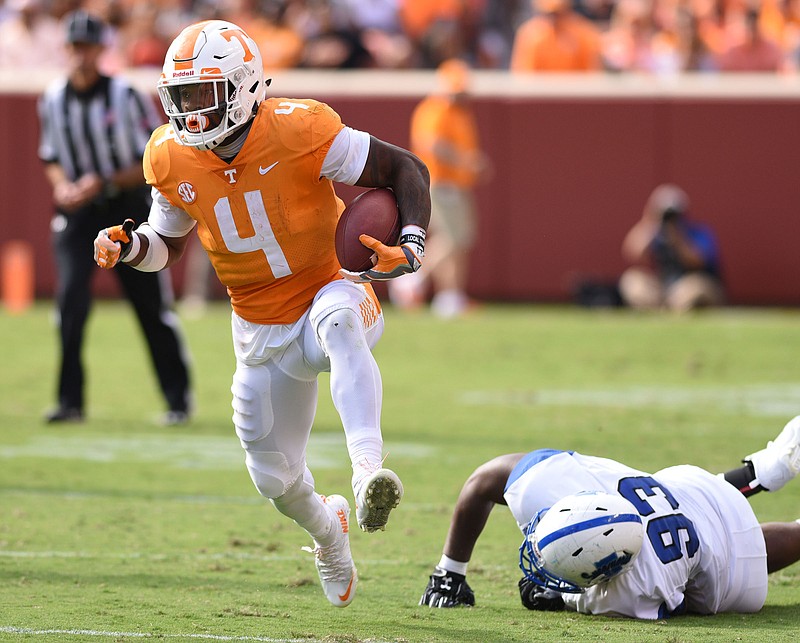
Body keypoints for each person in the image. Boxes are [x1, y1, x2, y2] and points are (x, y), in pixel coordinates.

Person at [92, 19, 430, 607]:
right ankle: (330, 531)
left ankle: (368, 468)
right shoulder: (169, 155)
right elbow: (166, 243)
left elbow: (407, 169)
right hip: (258, 326)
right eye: (183, 99)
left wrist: (412, 243)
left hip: (331, 286)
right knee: (273, 479)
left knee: (340, 324)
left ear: (245, 88)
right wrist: (129, 248)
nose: (192, 115)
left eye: (204, 97)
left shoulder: (301, 128)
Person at [419, 415, 800, 618]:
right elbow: (484, 481)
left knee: (733, 553)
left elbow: (677, 603)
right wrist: (449, 573)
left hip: (706, 557)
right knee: (707, 520)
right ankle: (763, 471)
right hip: (690, 491)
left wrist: (559, 596)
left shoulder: (633, 589)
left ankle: (768, 478)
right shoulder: (550, 483)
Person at [38, 10, 192, 426]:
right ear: (65, 50)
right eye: (74, 47)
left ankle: (177, 398)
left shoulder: (124, 94)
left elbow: (155, 155)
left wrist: (103, 180)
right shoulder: (53, 97)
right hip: (77, 212)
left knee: (150, 305)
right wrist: (62, 187)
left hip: (125, 209)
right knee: (70, 301)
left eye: (87, 47)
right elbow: (51, 155)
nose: (80, 56)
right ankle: (70, 401)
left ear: (101, 50)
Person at [390, 58, 488, 318]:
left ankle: (450, 297)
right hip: (441, 182)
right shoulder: (435, 108)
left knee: (457, 240)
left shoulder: (459, 111)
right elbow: (431, 143)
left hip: (456, 183)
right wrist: (466, 160)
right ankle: (410, 278)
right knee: (454, 238)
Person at [619, 183, 725, 312]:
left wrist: (678, 239)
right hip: (664, 287)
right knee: (632, 280)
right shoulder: (655, 232)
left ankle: (673, 309)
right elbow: (634, 252)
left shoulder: (699, 232)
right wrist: (651, 221)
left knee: (693, 289)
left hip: (694, 283)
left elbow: (697, 261)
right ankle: (659, 310)